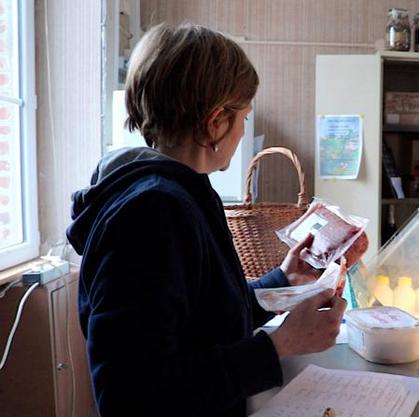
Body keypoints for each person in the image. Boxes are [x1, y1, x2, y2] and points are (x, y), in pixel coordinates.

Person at [66, 23, 346, 417]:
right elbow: (130, 396)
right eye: (244, 116)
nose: (244, 127)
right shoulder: (152, 213)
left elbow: (207, 320)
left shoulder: (185, 193)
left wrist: (283, 282)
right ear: (216, 122)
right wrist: (280, 344)